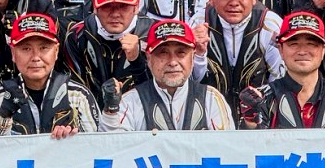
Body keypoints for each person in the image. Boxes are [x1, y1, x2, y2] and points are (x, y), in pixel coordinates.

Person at [99, 18, 237, 131]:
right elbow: (113, 148)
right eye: (163, 53)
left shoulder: (211, 99)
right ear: (149, 58)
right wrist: (110, 114)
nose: (172, 62)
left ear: (192, 57)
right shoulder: (130, 101)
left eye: (181, 53)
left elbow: (227, 148)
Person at [238, 10, 325, 129]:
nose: (302, 51)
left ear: (323, 50)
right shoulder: (262, 98)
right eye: (294, 44)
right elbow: (251, 142)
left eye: (311, 44)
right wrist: (250, 123)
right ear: (281, 50)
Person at [0, 12, 98, 137]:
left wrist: (72, 138)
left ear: (56, 51)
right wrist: (3, 116)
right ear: (13, 53)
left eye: (44, 48)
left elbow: (97, 145)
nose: (35, 57)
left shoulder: (79, 96)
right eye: (26, 49)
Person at [200, 0, 284, 107]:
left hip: (258, 112)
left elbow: (280, 80)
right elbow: (190, 81)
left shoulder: (270, 25)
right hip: (209, 110)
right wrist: (198, 55)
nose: (234, 2)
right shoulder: (199, 23)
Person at [62, 0, 151, 95]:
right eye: (107, 6)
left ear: (136, 6)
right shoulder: (77, 36)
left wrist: (137, 61)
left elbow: (161, 92)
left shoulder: (154, 36)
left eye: (123, 6)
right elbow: (73, 91)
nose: (115, 14)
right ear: (95, 7)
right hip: (90, 105)